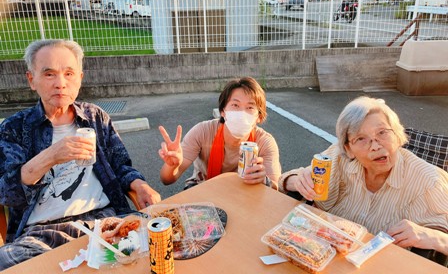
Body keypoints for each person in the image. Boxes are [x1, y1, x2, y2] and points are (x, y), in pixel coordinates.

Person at [0, 39, 161, 270]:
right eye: (49, 74)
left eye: (69, 73)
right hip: (41, 233)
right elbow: (6, 193)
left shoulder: (96, 117)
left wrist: (140, 184)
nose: (61, 83)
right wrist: (50, 156)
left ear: (80, 78)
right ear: (31, 80)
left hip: (104, 223)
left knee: (157, 248)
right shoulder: (14, 128)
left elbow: (121, 166)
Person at [279, 96, 448, 256]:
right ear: (348, 149)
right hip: (325, 253)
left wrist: (434, 238)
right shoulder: (337, 157)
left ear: (397, 135)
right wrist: (297, 181)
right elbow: (284, 181)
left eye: (382, 133)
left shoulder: (429, 180)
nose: (375, 146)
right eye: (361, 138)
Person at [158, 76, 281, 190]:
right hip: (203, 187)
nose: (241, 114)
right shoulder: (203, 132)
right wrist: (172, 166)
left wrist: (264, 180)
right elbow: (166, 179)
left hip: (247, 191)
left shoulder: (265, 142)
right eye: (235, 105)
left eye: (250, 107)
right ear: (223, 111)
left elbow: (276, 188)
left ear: (259, 116)